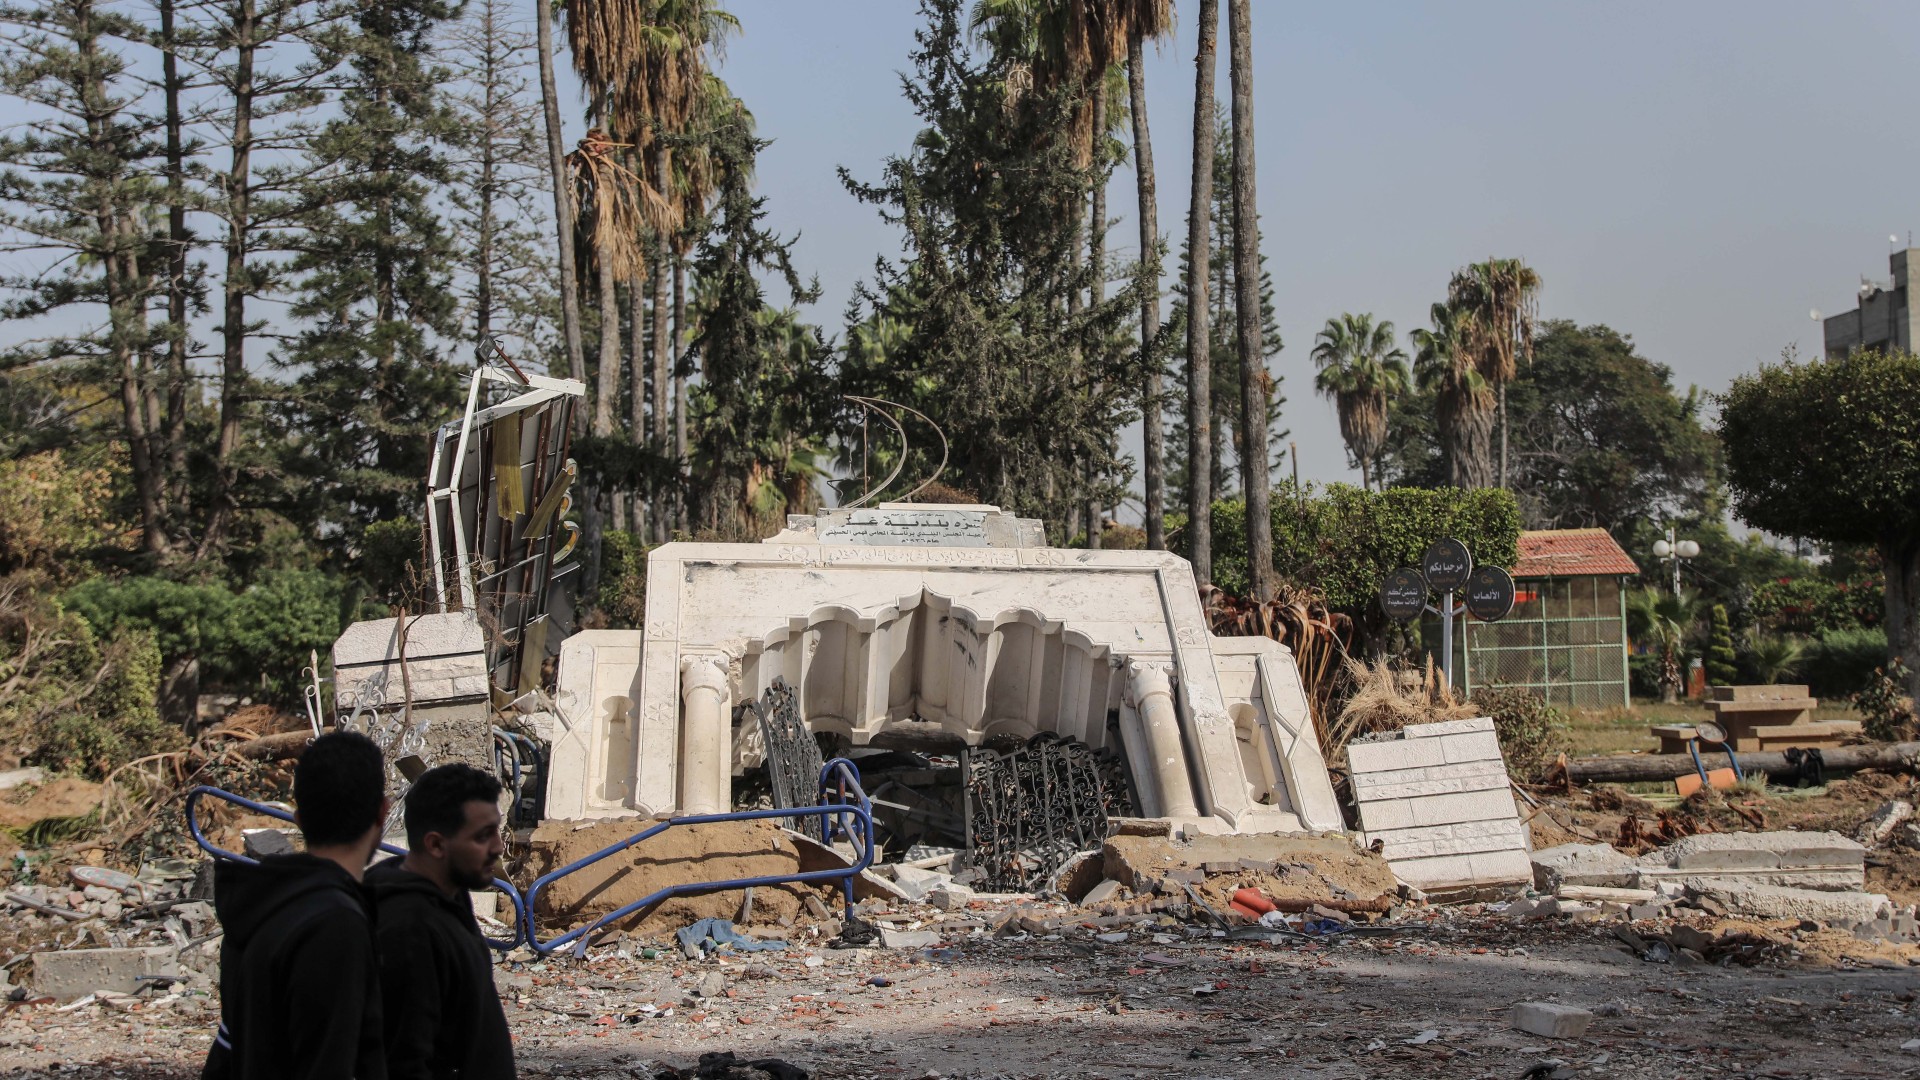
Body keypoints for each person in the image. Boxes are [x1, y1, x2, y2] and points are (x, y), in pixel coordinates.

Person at [203, 730, 389, 1080]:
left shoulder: (260, 908)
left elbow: (227, 1055)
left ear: (299, 818)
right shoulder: (337, 925)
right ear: (383, 811)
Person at [367, 763, 514, 1080]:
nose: (498, 847)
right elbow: (404, 1061)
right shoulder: (408, 929)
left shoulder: (450, 893)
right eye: (483, 836)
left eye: (496, 831)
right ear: (435, 844)